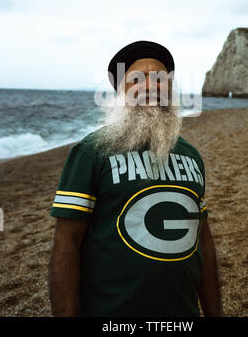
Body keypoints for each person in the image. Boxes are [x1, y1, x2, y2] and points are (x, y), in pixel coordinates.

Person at [48, 40, 222, 317]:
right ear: (120, 93)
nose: (151, 87)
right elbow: (66, 242)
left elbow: (204, 241)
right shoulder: (91, 152)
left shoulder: (191, 156)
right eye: (137, 80)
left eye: (161, 79)